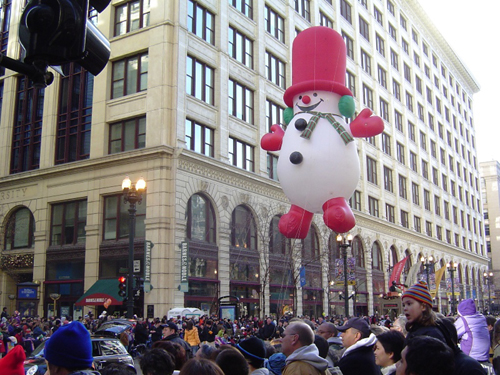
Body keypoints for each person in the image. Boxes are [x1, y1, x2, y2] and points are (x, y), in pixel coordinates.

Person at [455, 299, 491, 363]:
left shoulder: (463, 320)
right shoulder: (482, 318)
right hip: (484, 356)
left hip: (471, 356)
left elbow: (453, 333)